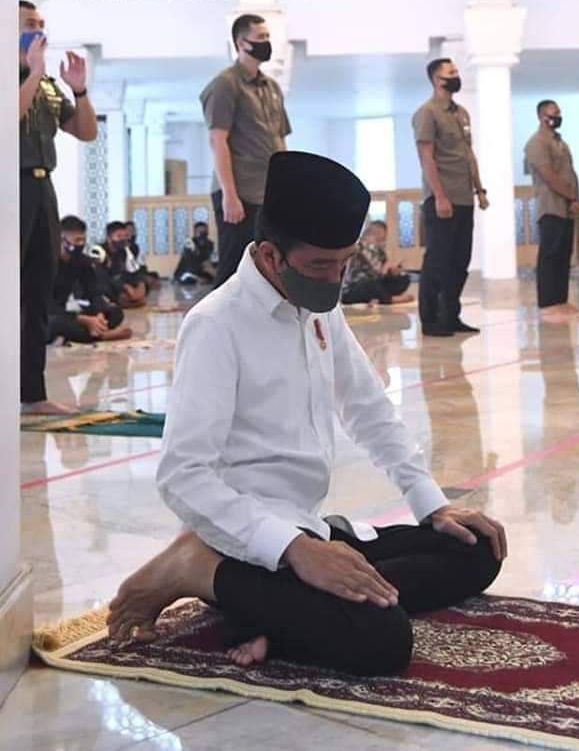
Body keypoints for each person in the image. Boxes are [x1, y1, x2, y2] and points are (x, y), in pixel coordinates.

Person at [108, 152, 506, 677]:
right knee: (382, 640)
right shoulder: (216, 325)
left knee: (476, 549)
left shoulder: (319, 308)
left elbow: (368, 409)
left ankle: (280, 617)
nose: (336, 279)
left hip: (310, 530)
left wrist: (431, 505)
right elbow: (183, 477)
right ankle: (195, 569)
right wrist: (293, 548)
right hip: (246, 544)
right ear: (271, 256)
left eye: (344, 263)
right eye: (322, 265)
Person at [19, 0, 98, 414]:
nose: (38, 30)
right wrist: (31, 72)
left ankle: (32, 395)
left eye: (41, 23)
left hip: (42, 188)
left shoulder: (48, 85)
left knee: (37, 289)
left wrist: (79, 89)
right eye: (29, 23)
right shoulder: (20, 76)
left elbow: (85, 131)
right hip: (10, 186)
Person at [200, 14, 292, 289]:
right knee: (233, 268)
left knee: (266, 267)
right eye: (260, 38)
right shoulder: (225, 84)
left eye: (268, 38)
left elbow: (279, 140)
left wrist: (285, 189)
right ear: (242, 43)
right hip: (239, 193)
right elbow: (218, 140)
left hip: (267, 192)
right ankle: (215, 329)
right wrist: (230, 195)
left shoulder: (272, 87)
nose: (266, 43)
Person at [412, 59, 489, 338]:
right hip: (442, 200)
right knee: (438, 262)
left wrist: (479, 189)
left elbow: (468, 154)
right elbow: (427, 158)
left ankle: (451, 315)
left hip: (464, 198)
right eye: (451, 73)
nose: (457, 76)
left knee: (460, 261)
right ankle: (431, 319)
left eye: (456, 72)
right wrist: (440, 197)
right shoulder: (427, 113)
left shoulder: (461, 113)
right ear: (436, 79)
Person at [524, 100, 579, 320]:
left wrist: (576, 199)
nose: (558, 116)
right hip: (550, 206)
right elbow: (549, 176)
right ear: (541, 116)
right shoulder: (537, 143)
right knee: (550, 255)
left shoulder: (561, 142)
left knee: (563, 255)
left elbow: (570, 173)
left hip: (567, 206)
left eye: (559, 112)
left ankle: (561, 300)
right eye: (553, 113)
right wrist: (571, 196)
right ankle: (548, 303)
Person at [48, 216, 131, 345]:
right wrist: (83, 319)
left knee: (115, 312)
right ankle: (102, 335)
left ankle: (91, 332)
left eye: (83, 239)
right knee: (53, 323)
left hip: (69, 312)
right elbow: (46, 306)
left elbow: (93, 292)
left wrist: (98, 314)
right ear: (62, 240)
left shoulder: (82, 261)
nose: (80, 244)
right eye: (77, 240)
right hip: (50, 313)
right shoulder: (47, 263)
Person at [342, 220, 413, 306]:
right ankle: (391, 299)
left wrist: (392, 272)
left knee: (404, 278)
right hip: (355, 287)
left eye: (383, 239)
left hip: (375, 282)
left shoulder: (380, 251)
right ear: (368, 235)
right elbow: (376, 269)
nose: (382, 242)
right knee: (371, 285)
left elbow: (382, 275)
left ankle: (379, 297)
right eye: (379, 239)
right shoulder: (360, 247)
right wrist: (385, 269)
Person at [98, 222, 147, 309]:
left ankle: (127, 302)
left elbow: (134, 271)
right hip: (103, 287)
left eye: (125, 236)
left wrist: (140, 286)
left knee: (141, 285)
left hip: (118, 284)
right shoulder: (98, 252)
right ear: (109, 238)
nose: (123, 239)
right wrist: (125, 287)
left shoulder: (124, 251)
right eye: (119, 236)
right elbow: (103, 277)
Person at [125, 220, 160, 291]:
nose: (131, 232)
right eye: (129, 230)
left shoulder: (135, 246)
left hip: (136, 270)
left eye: (133, 230)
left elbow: (139, 264)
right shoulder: (122, 245)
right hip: (128, 273)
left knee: (154, 275)